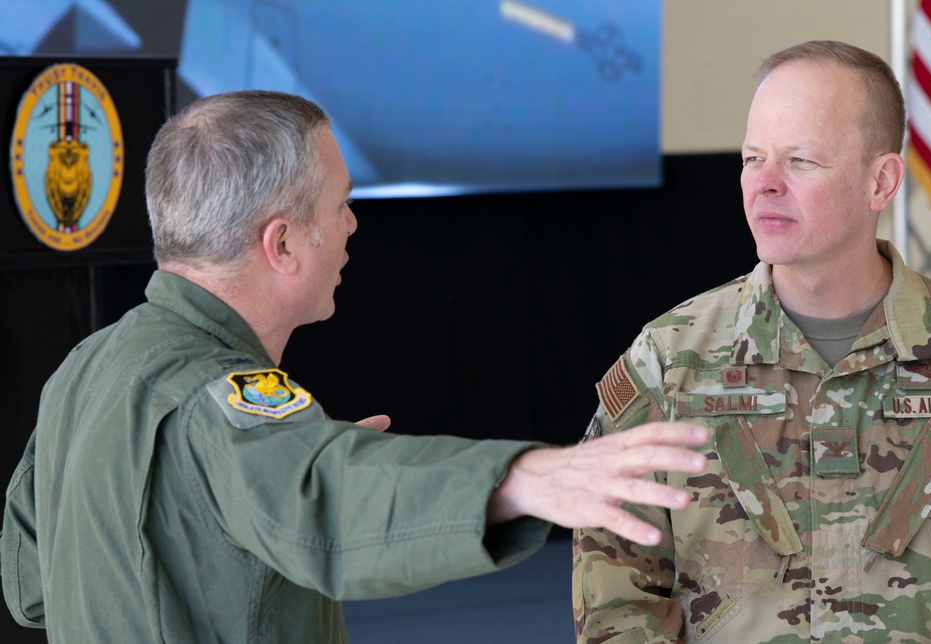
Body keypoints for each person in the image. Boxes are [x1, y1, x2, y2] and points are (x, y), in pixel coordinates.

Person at [1, 90, 710, 643]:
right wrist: (519, 478)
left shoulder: (85, 368)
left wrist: (250, 483)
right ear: (281, 245)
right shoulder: (217, 398)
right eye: (340, 205)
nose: (352, 225)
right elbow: (326, 499)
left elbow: (28, 586)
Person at [573, 40, 931, 643]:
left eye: (800, 161)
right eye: (752, 159)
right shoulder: (669, 362)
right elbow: (615, 591)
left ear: (881, 181)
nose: (765, 185)